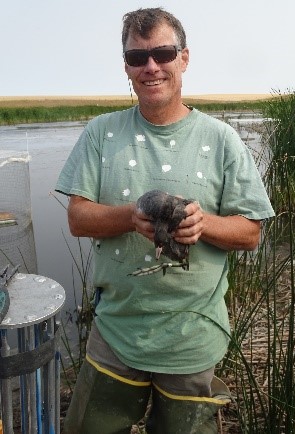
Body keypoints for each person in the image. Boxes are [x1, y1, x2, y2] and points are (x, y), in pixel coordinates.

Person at [56, 7, 274, 434]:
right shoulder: (101, 132)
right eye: (138, 58)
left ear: (184, 58)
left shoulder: (221, 138)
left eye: (163, 53)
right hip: (115, 331)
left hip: (192, 339)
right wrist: (130, 216)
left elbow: (251, 233)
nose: (151, 66)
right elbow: (78, 218)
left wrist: (203, 224)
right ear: (127, 68)